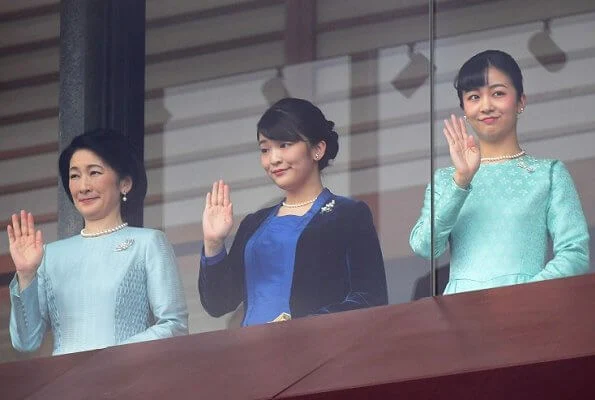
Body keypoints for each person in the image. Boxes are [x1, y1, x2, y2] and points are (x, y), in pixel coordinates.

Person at [410, 50, 590, 294]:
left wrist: (523, 296)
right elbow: (425, 247)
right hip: (460, 317)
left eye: (497, 93)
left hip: (525, 312)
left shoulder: (548, 174)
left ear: (520, 101)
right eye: (474, 97)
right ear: (464, 109)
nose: (486, 106)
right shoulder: (447, 180)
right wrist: (461, 180)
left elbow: (575, 253)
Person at [198, 98, 388, 326]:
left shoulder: (348, 215)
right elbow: (219, 303)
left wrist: (299, 326)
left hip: (313, 353)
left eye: (284, 145)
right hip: (252, 354)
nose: (273, 159)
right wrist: (213, 244)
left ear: (318, 149)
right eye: (265, 149)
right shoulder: (254, 224)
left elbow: (370, 299)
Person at [7, 130, 188, 355]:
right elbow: (26, 342)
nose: (83, 186)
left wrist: (109, 355)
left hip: (123, 379)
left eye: (94, 173)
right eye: (74, 176)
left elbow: (174, 325)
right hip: (65, 387)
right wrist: (26, 276)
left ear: (125, 183)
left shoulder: (148, 243)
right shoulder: (49, 256)